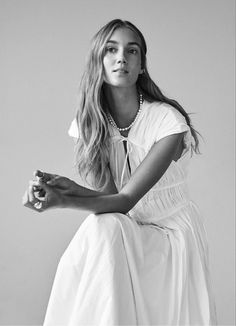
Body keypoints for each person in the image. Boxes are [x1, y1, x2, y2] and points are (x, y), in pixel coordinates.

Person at [23, 19, 217, 325]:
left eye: (132, 50)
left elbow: (124, 200)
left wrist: (63, 201)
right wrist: (63, 187)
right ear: (98, 61)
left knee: (104, 227)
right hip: (127, 225)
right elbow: (110, 198)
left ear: (141, 65)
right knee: (104, 227)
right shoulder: (91, 122)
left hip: (171, 233)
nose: (121, 58)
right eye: (110, 50)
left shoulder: (167, 122)